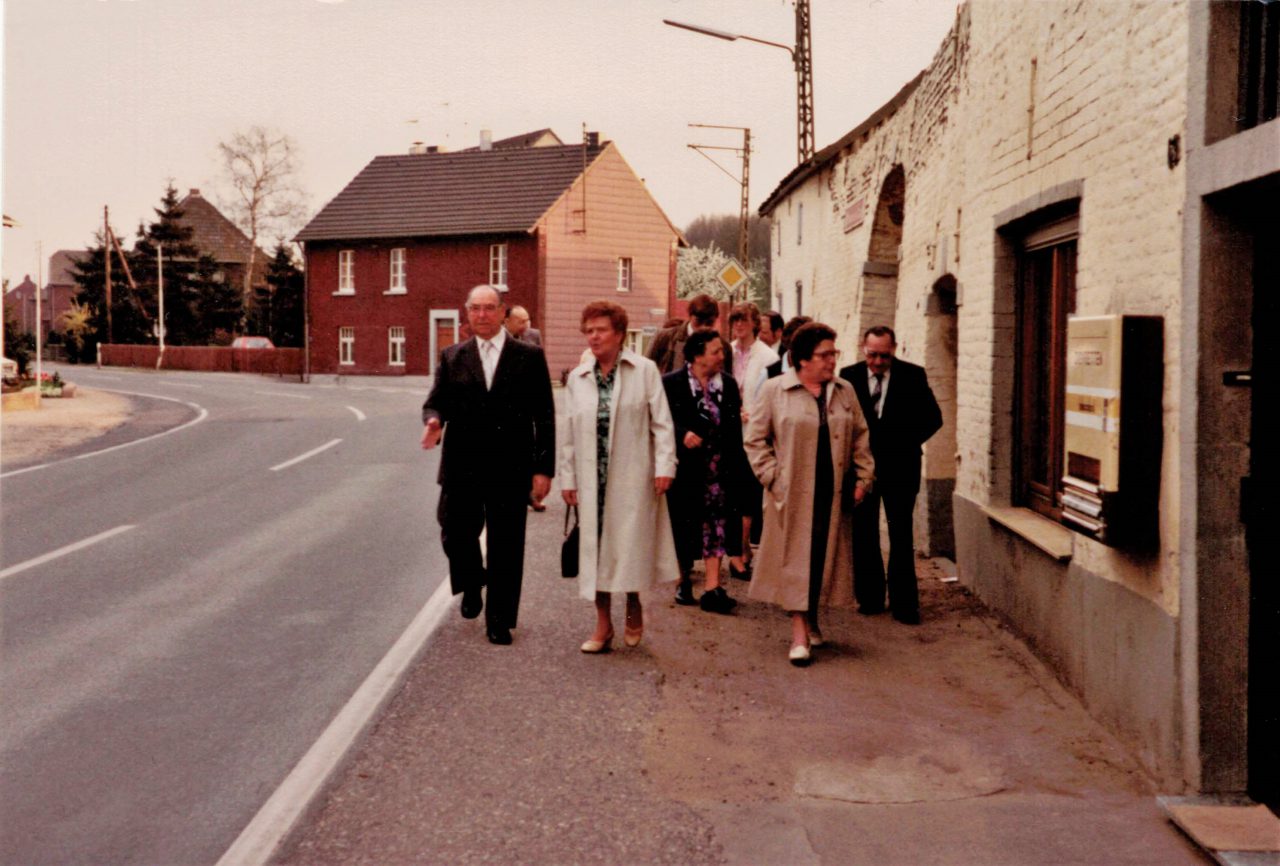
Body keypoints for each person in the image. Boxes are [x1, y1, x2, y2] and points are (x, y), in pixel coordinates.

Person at [421, 285, 555, 646]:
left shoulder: (528, 356)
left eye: (489, 308)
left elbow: (544, 416)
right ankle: (472, 580)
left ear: (502, 312)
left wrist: (543, 469)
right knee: (453, 531)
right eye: (475, 308)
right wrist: (433, 421)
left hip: (510, 466)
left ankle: (499, 620)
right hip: (462, 464)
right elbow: (436, 403)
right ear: (467, 313)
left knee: (507, 544)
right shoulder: (452, 356)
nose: (481, 315)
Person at [745, 322, 874, 665]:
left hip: (832, 495)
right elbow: (755, 440)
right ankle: (800, 633)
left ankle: (813, 617)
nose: (832, 360)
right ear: (802, 360)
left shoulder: (844, 391)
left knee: (821, 558)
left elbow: (861, 437)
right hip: (792, 494)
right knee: (795, 559)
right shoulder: (775, 390)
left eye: (834, 353)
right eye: (825, 354)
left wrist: (863, 478)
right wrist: (773, 478)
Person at [561, 300, 678, 653]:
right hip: (591, 475)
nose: (593, 337)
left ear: (619, 334)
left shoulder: (643, 371)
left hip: (633, 474)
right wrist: (568, 478)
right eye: (589, 331)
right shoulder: (579, 378)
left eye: (600, 330)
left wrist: (664, 466)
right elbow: (568, 432)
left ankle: (632, 602)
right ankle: (602, 624)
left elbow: (662, 422)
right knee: (595, 550)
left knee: (629, 546)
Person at [839, 326, 943, 624]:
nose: (878, 362)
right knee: (864, 532)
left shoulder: (913, 375)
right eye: (872, 355)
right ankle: (870, 597)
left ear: (894, 349)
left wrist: (903, 440)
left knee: (901, 534)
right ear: (863, 348)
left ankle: (905, 604)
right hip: (861, 470)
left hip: (901, 467)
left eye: (885, 355)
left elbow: (933, 418)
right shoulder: (849, 377)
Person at [663, 330, 750, 613]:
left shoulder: (727, 383)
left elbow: (734, 428)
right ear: (697, 356)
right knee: (683, 524)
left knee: (717, 525)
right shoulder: (671, 383)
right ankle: (683, 579)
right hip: (685, 469)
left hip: (718, 469)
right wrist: (682, 434)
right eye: (715, 351)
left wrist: (738, 468)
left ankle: (713, 588)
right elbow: (661, 423)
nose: (722, 356)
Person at [726, 302, 779, 580]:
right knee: (732, 492)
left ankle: (744, 548)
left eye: (744, 320)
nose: (739, 326)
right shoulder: (727, 352)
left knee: (748, 493)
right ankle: (738, 549)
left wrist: (755, 414)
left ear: (755, 323)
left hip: (753, 430)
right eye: (735, 320)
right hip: (728, 430)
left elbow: (770, 393)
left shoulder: (767, 357)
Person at [647, 293, 733, 378]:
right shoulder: (664, 338)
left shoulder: (724, 347)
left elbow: (727, 385)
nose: (703, 326)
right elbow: (646, 372)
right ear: (690, 316)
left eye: (709, 323)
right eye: (699, 321)